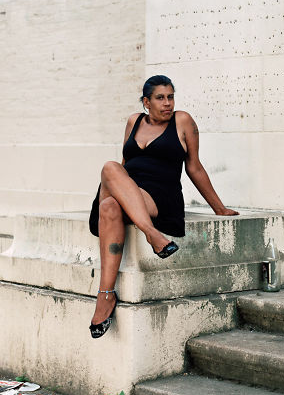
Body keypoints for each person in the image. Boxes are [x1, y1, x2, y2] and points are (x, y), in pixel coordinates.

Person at [88, 75, 238, 338]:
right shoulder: (134, 121)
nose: (167, 103)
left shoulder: (183, 121)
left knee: (110, 200)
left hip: (160, 195)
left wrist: (219, 208)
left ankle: (106, 295)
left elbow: (194, 166)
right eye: (160, 98)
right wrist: (120, 189)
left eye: (171, 97)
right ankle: (148, 239)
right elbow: (125, 162)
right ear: (146, 101)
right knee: (111, 182)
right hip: (127, 188)